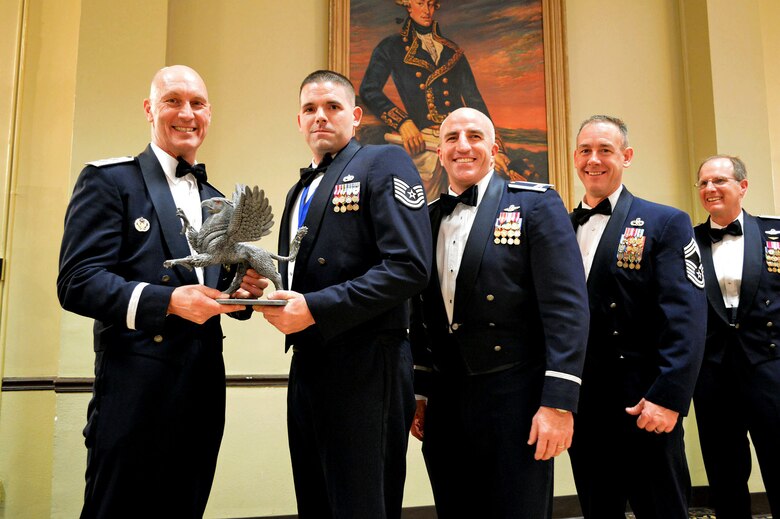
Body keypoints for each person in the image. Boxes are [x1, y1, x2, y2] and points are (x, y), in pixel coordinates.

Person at [57, 65, 256, 518]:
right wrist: (166, 301)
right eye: (173, 101)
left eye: (198, 103)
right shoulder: (110, 181)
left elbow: (215, 290)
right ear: (150, 110)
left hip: (203, 391)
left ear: (209, 114)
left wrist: (241, 290)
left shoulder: (219, 200)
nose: (187, 112)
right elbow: (77, 281)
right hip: (134, 393)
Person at [250, 70, 432, 519]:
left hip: (368, 363)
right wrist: (257, 289)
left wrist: (313, 308)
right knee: (315, 499)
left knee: (361, 504)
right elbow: (303, 279)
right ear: (298, 121)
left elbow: (409, 267)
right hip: (309, 363)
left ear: (354, 115)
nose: (320, 117)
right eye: (310, 109)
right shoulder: (298, 192)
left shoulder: (382, 161)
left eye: (332, 107)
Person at [407, 107, 589, 518]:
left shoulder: (535, 206)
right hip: (447, 401)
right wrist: (419, 390)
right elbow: (419, 311)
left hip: (517, 398)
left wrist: (558, 403)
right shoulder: (427, 217)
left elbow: (567, 309)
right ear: (440, 152)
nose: (463, 146)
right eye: (451, 138)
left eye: (474, 136)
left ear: (493, 146)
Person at [567, 114, 707, 518]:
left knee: (661, 509)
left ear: (626, 157)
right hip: (585, 404)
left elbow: (686, 318)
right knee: (598, 509)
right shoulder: (556, 224)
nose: (594, 160)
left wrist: (668, 398)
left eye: (605, 150)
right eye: (586, 151)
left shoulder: (665, 222)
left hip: (645, 403)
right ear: (575, 157)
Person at [692, 155, 780, 518]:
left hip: (768, 368)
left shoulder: (775, 233)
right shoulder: (686, 241)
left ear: (742, 186)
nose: (710, 188)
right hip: (712, 374)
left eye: (719, 181)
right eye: (703, 183)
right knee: (724, 474)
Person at [359, 0, 513, 199]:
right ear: (408, 6)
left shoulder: (453, 51)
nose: (427, 10)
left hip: (461, 140)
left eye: (431, 4)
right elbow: (369, 90)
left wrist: (495, 148)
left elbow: (475, 103)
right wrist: (403, 122)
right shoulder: (391, 47)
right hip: (424, 141)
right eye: (420, 3)